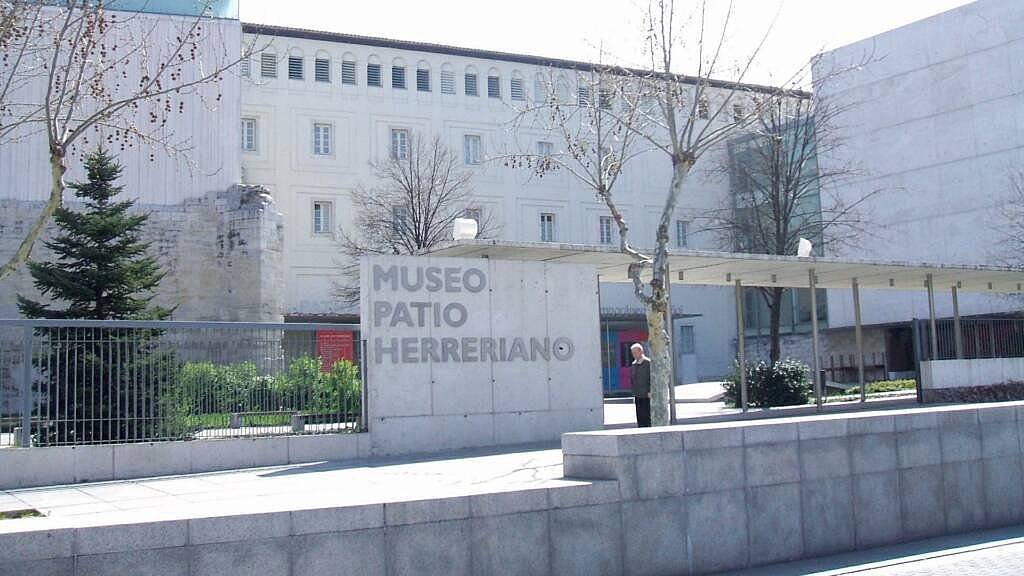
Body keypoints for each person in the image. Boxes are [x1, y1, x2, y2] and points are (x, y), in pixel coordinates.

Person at [629, 342, 651, 427]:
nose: (634, 354)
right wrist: (633, 391)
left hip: (646, 395)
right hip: (637, 394)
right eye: (632, 353)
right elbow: (632, 379)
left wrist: (649, 391)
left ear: (641, 351)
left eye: (635, 352)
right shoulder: (633, 364)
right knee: (639, 416)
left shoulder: (648, 363)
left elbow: (650, 378)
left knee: (647, 415)